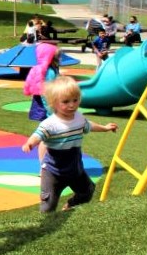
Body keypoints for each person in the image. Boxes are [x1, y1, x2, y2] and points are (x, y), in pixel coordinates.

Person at [21, 75, 118, 213]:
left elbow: (89, 125)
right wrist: (30, 143)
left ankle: (70, 205)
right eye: (65, 102)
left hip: (75, 170)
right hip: (53, 172)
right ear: (54, 103)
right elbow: (39, 135)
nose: (72, 105)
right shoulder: (50, 124)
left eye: (75, 100)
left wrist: (105, 128)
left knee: (87, 192)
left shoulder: (79, 118)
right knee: (48, 206)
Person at [23, 41, 60, 121]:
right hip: (45, 110)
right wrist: (52, 114)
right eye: (57, 57)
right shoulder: (49, 72)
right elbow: (47, 94)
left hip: (38, 109)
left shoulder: (38, 68)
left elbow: (29, 81)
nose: (59, 59)